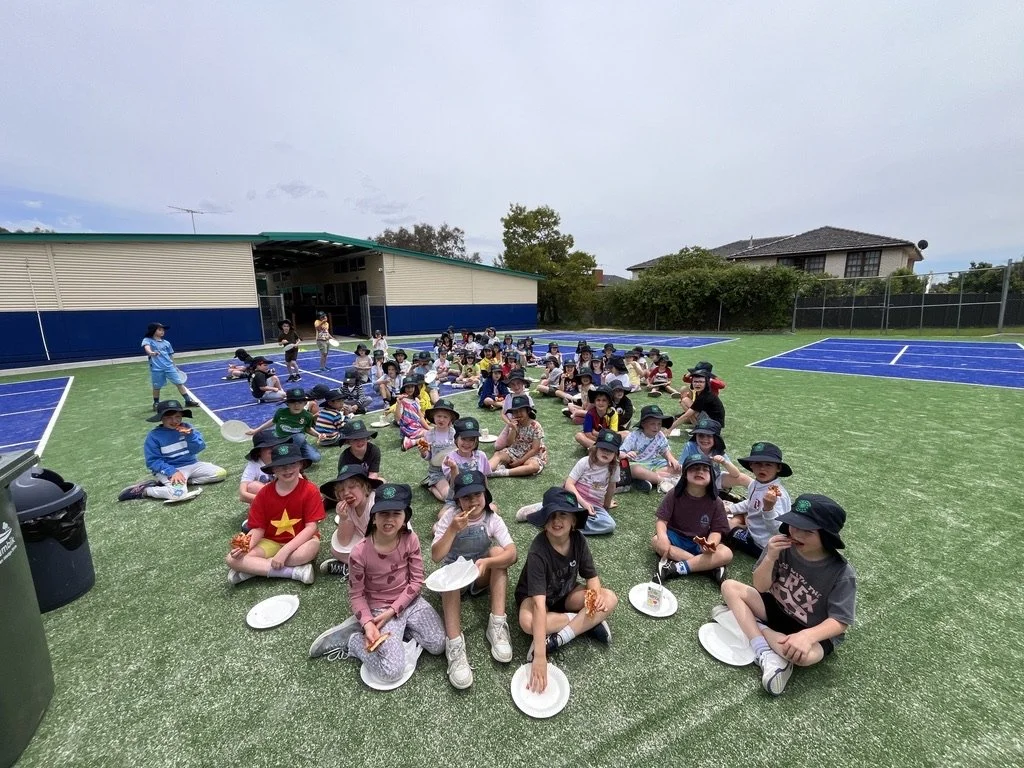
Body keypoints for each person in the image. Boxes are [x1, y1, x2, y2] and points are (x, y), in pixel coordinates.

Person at [719, 494, 856, 696]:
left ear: (826, 536)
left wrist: (807, 636)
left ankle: (747, 624)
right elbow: (760, 586)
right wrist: (770, 557)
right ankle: (764, 650)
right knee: (729, 587)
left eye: (807, 531)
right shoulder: (780, 546)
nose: (796, 533)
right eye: (793, 524)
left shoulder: (842, 573)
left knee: (803, 657)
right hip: (776, 607)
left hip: (810, 628)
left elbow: (840, 621)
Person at [307, 484, 446, 683]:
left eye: (396, 513)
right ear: (373, 517)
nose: (389, 519)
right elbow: (356, 595)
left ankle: (398, 629)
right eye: (383, 513)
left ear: (405, 517)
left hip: (410, 602)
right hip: (379, 610)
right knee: (391, 672)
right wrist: (369, 622)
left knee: (439, 644)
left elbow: (416, 581)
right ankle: (354, 640)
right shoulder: (360, 552)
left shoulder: (411, 539)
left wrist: (394, 612)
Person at [515, 487, 618, 693]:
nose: (556, 520)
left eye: (563, 514)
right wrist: (540, 656)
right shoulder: (538, 550)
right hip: (536, 599)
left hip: (566, 594)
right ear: (544, 520)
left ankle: (558, 639)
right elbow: (538, 604)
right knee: (527, 622)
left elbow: (592, 577)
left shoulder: (579, 540)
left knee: (609, 598)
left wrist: (595, 597)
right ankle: (585, 623)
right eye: (551, 514)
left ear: (573, 520)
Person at [431, 470, 518, 688]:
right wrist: (452, 530)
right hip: (455, 576)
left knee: (498, 553)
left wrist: (488, 562)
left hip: (479, 574)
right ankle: (454, 644)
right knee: (449, 574)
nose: (472, 501)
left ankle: (497, 625)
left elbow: (512, 554)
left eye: (477, 495)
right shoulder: (450, 518)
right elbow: (436, 556)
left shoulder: (491, 518)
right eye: (466, 497)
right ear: (457, 500)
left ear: (485, 495)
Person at [226, 442, 323, 585]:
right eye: (281, 466)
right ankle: (294, 572)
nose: (287, 469)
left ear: (300, 465)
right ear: (273, 469)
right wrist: (244, 547)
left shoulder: (310, 490)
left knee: (308, 551)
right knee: (232, 559)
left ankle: (255, 569)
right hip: (270, 541)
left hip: (301, 542)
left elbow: (311, 528)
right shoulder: (264, 494)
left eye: (292, 464)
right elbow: (258, 528)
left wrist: (285, 551)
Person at [118, 399, 228, 501]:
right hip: (170, 469)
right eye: (169, 417)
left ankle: (185, 481)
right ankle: (145, 490)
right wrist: (173, 472)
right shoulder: (154, 436)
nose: (174, 421)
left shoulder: (187, 428)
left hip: (192, 464)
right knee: (178, 494)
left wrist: (190, 436)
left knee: (220, 473)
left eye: (178, 417)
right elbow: (153, 461)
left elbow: (198, 448)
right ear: (161, 418)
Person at [517, 429, 621, 535]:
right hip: (572, 500)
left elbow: (611, 488)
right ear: (596, 448)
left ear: (616, 453)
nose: (606, 452)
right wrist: (583, 503)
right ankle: (543, 509)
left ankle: (562, 522)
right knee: (564, 508)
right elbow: (569, 484)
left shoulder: (615, 468)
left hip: (594, 505)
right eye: (603, 448)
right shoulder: (585, 462)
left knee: (609, 525)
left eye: (610, 450)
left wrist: (606, 506)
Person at [652, 453, 733, 583]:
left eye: (705, 469)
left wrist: (711, 544)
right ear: (685, 474)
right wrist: (663, 538)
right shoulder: (674, 494)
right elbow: (662, 520)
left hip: (700, 544)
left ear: (711, 476)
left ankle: (676, 568)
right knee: (656, 540)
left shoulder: (716, 501)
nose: (700, 472)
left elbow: (716, 530)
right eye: (694, 468)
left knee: (726, 553)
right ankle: (707, 567)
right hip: (676, 539)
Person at [722, 442, 793, 558]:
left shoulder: (778, 495)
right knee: (737, 514)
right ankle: (742, 525)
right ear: (751, 465)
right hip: (756, 529)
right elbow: (750, 503)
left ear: (778, 468)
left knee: (724, 526)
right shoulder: (755, 484)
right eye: (757, 463)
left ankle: (739, 530)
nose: (762, 468)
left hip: (762, 545)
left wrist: (768, 508)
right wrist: (729, 509)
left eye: (768, 464)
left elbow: (778, 530)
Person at [318, 463, 382, 580]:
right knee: (336, 549)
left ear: (365, 487)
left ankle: (356, 569)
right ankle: (362, 568)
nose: (346, 492)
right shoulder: (350, 508)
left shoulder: (374, 504)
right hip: (369, 544)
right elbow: (344, 541)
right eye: (341, 490)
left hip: (389, 546)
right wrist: (343, 518)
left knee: (380, 559)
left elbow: (385, 540)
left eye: (352, 486)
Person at [247, 387, 322, 463]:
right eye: (292, 402)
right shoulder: (281, 412)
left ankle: (294, 452)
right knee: (299, 437)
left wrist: (318, 435)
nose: (296, 405)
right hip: (280, 440)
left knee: (315, 457)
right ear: (287, 403)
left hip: (298, 441)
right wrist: (256, 430)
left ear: (305, 403)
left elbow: (308, 429)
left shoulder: (308, 416)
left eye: (300, 402)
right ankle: (291, 456)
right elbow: (273, 421)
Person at [678, 417, 744, 497]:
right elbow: (682, 467)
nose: (704, 439)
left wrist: (724, 462)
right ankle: (713, 493)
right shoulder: (690, 446)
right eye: (701, 435)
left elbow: (736, 474)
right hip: (695, 480)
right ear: (696, 436)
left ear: (716, 438)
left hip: (715, 478)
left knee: (743, 478)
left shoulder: (717, 450)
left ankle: (756, 493)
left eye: (709, 436)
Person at [620, 404, 680, 492]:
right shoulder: (634, 436)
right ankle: (664, 480)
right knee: (636, 470)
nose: (656, 427)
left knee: (678, 467)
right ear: (643, 424)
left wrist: (671, 459)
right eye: (652, 424)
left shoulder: (660, 435)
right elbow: (620, 453)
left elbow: (664, 450)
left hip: (654, 464)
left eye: (659, 424)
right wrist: (627, 455)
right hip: (637, 464)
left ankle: (647, 479)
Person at [141, 322, 199, 410]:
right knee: (156, 387)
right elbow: (147, 348)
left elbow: (170, 356)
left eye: (163, 330)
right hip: (156, 369)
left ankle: (188, 401)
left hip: (169, 367)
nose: (162, 331)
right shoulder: (147, 340)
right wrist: (151, 353)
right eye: (159, 330)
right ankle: (156, 403)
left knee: (179, 383)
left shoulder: (166, 343)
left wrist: (174, 366)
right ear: (153, 330)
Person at [489, 394, 547, 478]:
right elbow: (509, 443)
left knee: (534, 466)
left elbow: (535, 449)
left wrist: (520, 461)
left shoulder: (536, 426)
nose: (518, 414)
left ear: (527, 411)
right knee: (498, 454)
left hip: (531, 455)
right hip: (516, 450)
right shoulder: (514, 424)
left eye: (521, 411)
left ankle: (503, 472)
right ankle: (485, 471)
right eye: (515, 412)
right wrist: (513, 429)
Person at [238, 429, 289, 507]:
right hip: (268, 499)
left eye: (277, 445)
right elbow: (242, 495)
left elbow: (299, 479)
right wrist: (272, 501)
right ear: (259, 451)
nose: (274, 448)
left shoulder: (284, 458)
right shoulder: (254, 465)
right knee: (253, 486)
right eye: (269, 446)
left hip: (285, 493)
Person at [420, 399, 459, 502]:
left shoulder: (455, 433)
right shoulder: (429, 434)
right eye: (438, 416)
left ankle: (433, 485)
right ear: (433, 417)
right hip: (437, 472)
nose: (441, 419)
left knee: (461, 492)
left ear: (451, 419)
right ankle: (431, 487)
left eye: (445, 417)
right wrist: (423, 452)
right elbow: (429, 457)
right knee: (448, 497)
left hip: (453, 469)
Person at [496, 370, 534, 449]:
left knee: (519, 446)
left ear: (523, 383)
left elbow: (531, 416)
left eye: (518, 383)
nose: (516, 387)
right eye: (513, 384)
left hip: (524, 426)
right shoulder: (508, 397)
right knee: (498, 446)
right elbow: (503, 413)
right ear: (510, 385)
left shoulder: (528, 398)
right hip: (511, 424)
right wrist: (509, 423)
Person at [574, 385, 618, 450]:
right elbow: (588, 434)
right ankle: (602, 449)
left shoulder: (613, 413)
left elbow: (612, 434)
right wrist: (601, 441)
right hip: (595, 439)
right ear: (594, 402)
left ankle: (596, 449)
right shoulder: (590, 414)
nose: (600, 403)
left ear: (609, 403)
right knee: (579, 436)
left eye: (604, 400)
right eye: (598, 400)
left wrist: (597, 433)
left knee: (626, 434)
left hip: (607, 439)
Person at [396, 375, 430, 451]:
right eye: (407, 387)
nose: (410, 389)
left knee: (432, 433)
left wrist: (428, 427)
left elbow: (421, 417)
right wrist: (398, 403)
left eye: (412, 387)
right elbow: (398, 419)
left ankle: (411, 440)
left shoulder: (416, 400)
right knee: (432, 435)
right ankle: (412, 442)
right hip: (408, 429)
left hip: (416, 427)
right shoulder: (402, 401)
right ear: (404, 388)